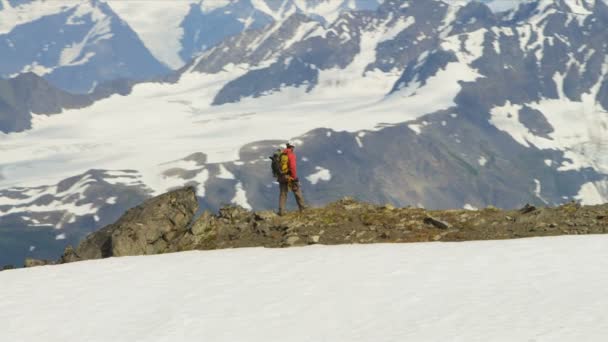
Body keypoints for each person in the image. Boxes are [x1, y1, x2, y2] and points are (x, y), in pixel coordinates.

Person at [278, 141, 307, 215]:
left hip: (281, 176)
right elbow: (292, 167)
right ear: (292, 147)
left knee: (283, 193)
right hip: (289, 176)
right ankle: (303, 209)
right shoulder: (291, 154)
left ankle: (281, 211)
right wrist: (294, 178)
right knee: (297, 191)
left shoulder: (282, 154)